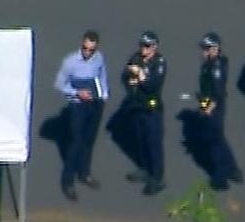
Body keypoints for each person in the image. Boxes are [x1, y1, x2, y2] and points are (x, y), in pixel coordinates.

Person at [53, 30, 109, 201]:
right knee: (76, 143)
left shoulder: (98, 58)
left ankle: (84, 173)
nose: (87, 52)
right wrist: (77, 92)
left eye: (91, 50)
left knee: (89, 141)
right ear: (81, 44)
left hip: (94, 105)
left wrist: (104, 95)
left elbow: (102, 75)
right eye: (85, 48)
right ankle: (67, 182)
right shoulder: (70, 62)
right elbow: (59, 84)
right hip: (78, 106)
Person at [122, 30, 167, 195]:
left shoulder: (159, 63)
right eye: (142, 45)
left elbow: (152, 86)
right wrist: (132, 84)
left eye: (147, 46)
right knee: (141, 140)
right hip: (138, 106)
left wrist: (140, 75)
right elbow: (126, 75)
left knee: (154, 143)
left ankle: (157, 178)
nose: (144, 50)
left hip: (152, 108)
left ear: (154, 47)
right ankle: (144, 169)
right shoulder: (136, 58)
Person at [198, 32, 243, 190]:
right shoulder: (211, 63)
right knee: (219, 140)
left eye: (206, 48)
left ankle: (220, 180)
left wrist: (208, 108)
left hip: (214, 107)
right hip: (208, 103)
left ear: (215, 48)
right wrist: (203, 107)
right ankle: (234, 170)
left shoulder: (215, 67)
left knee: (215, 143)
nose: (203, 51)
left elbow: (218, 92)